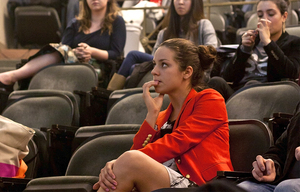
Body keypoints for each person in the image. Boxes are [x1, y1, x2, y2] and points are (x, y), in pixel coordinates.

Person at [93, 38, 233, 192]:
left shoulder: (210, 99)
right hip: (164, 185)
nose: (154, 71)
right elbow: (136, 152)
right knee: (124, 167)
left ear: (187, 72)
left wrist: (119, 161)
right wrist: (152, 115)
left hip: (201, 186)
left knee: (129, 161)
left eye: (164, 65)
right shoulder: (162, 115)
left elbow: (179, 141)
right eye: (155, 64)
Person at [0, 0, 126, 92]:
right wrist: (78, 54)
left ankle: (12, 76)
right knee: (60, 51)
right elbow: (62, 49)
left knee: (62, 52)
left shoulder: (116, 21)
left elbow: (116, 53)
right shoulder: (76, 23)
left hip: (100, 68)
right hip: (73, 63)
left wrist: (91, 52)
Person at [106, 0, 218, 90]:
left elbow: (210, 53)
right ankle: (116, 93)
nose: (180, 2)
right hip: (167, 67)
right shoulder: (164, 32)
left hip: (191, 69)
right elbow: (155, 59)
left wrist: (200, 75)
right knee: (133, 64)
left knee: (133, 56)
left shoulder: (204, 25)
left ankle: (111, 92)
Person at [208, 0, 300, 101]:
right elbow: (228, 77)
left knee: (253, 84)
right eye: (260, 15)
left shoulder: (293, 42)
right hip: (238, 94)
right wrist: (244, 50)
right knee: (216, 82)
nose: (264, 19)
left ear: (284, 16)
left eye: (270, 14)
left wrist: (268, 43)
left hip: (270, 97)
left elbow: (291, 73)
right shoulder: (252, 41)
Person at [237, 102, 300, 192]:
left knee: (287, 187)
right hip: (283, 181)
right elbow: (280, 149)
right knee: (242, 188)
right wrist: (271, 165)